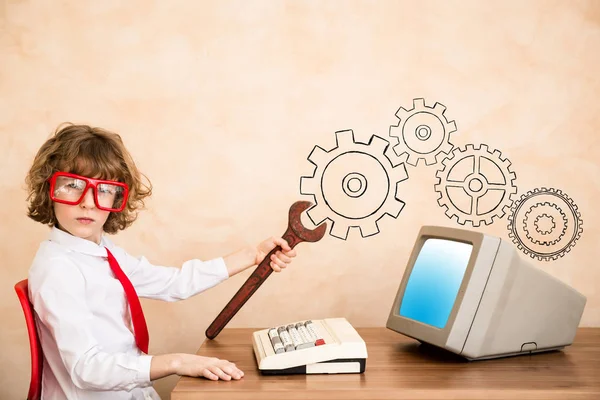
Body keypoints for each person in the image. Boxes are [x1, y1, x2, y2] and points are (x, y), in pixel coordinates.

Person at [25, 123, 297, 400]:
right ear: (49, 189)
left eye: (104, 188)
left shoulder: (102, 252)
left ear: (118, 197)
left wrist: (252, 255)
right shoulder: (58, 269)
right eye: (72, 185)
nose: (88, 202)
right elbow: (87, 368)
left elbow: (173, 283)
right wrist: (177, 362)